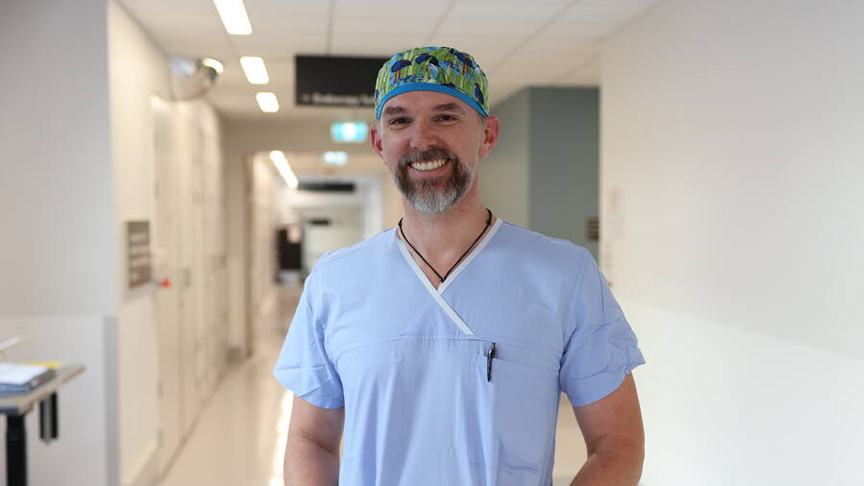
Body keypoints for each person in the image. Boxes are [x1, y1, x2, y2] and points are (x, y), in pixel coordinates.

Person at [274, 46, 646, 486]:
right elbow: (309, 441)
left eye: (446, 116)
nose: (422, 139)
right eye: (399, 120)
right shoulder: (335, 282)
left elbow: (617, 443)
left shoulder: (564, 275)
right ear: (379, 142)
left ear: (487, 134)